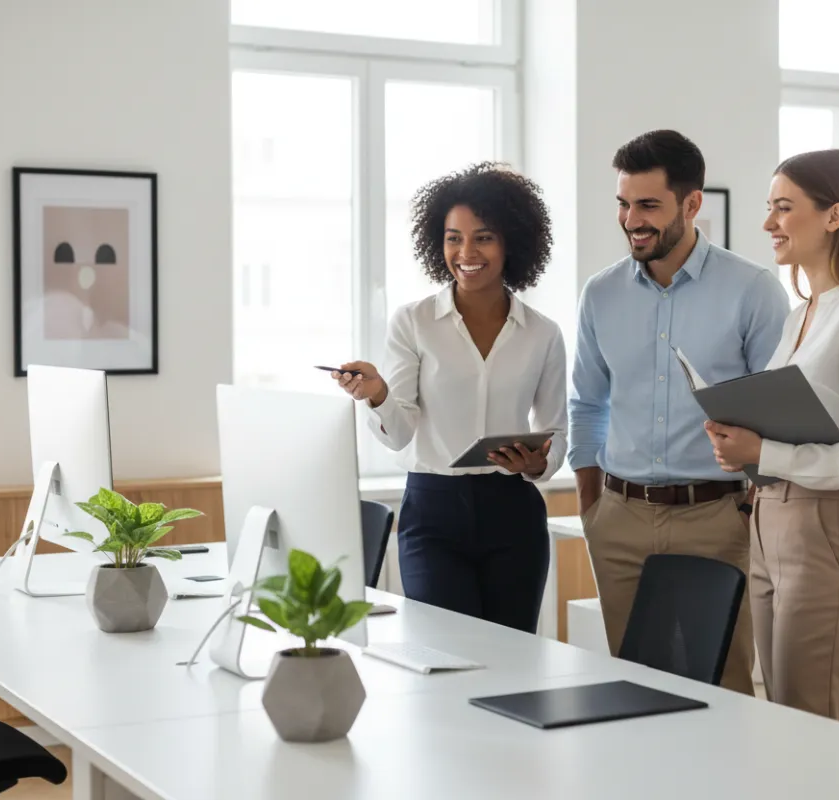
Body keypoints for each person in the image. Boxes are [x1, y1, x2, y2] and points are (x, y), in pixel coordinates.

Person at [569, 130, 790, 695]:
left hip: (718, 519)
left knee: (726, 685)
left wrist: (749, 507)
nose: (631, 219)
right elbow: (588, 402)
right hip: (619, 516)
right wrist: (592, 503)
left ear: (692, 204)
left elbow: (778, 415)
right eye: (623, 203)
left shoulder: (753, 291)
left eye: (648, 205)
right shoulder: (600, 295)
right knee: (633, 685)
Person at [704, 148, 839, 722]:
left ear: (834, 216)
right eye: (770, 208)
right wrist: (741, 445)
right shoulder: (802, 315)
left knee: (813, 720)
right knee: (784, 720)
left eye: (784, 208)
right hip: (769, 524)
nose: (769, 224)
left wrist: (764, 451)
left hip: (825, 531)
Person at [333, 162, 567, 634]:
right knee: (445, 651)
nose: (465, 252)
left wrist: (536, 463)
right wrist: (377, 394)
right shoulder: (413, 322)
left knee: (512, 657)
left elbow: (557, 430)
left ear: (511, 243)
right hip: (433, 512)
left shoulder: (543, 333)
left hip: (513, 514)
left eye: (483, 237)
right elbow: (398, 435)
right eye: (452, 237)